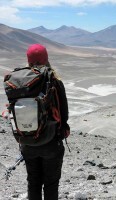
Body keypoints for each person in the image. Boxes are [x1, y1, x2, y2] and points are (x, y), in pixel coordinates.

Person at [20, 44, 70, 200]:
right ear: (46, 59)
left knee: (33, 182)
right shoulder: (54, 81)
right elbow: (64, 113)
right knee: (50, 184)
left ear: (28, 60)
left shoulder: (20, 82)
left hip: (27, 141)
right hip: (51, 143)